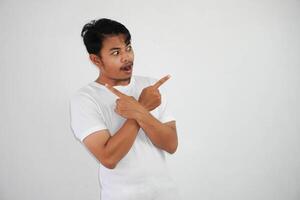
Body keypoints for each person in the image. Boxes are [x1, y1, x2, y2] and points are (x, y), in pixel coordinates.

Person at [69, 18, 180, 200]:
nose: (126, 57)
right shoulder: (85, 99)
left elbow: (171, 144)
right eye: (115, 52)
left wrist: (139, 111)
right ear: (96, 59)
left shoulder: (151, 87)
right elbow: (109, 158)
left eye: (128, 47)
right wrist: (142, 107)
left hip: (167, 194)